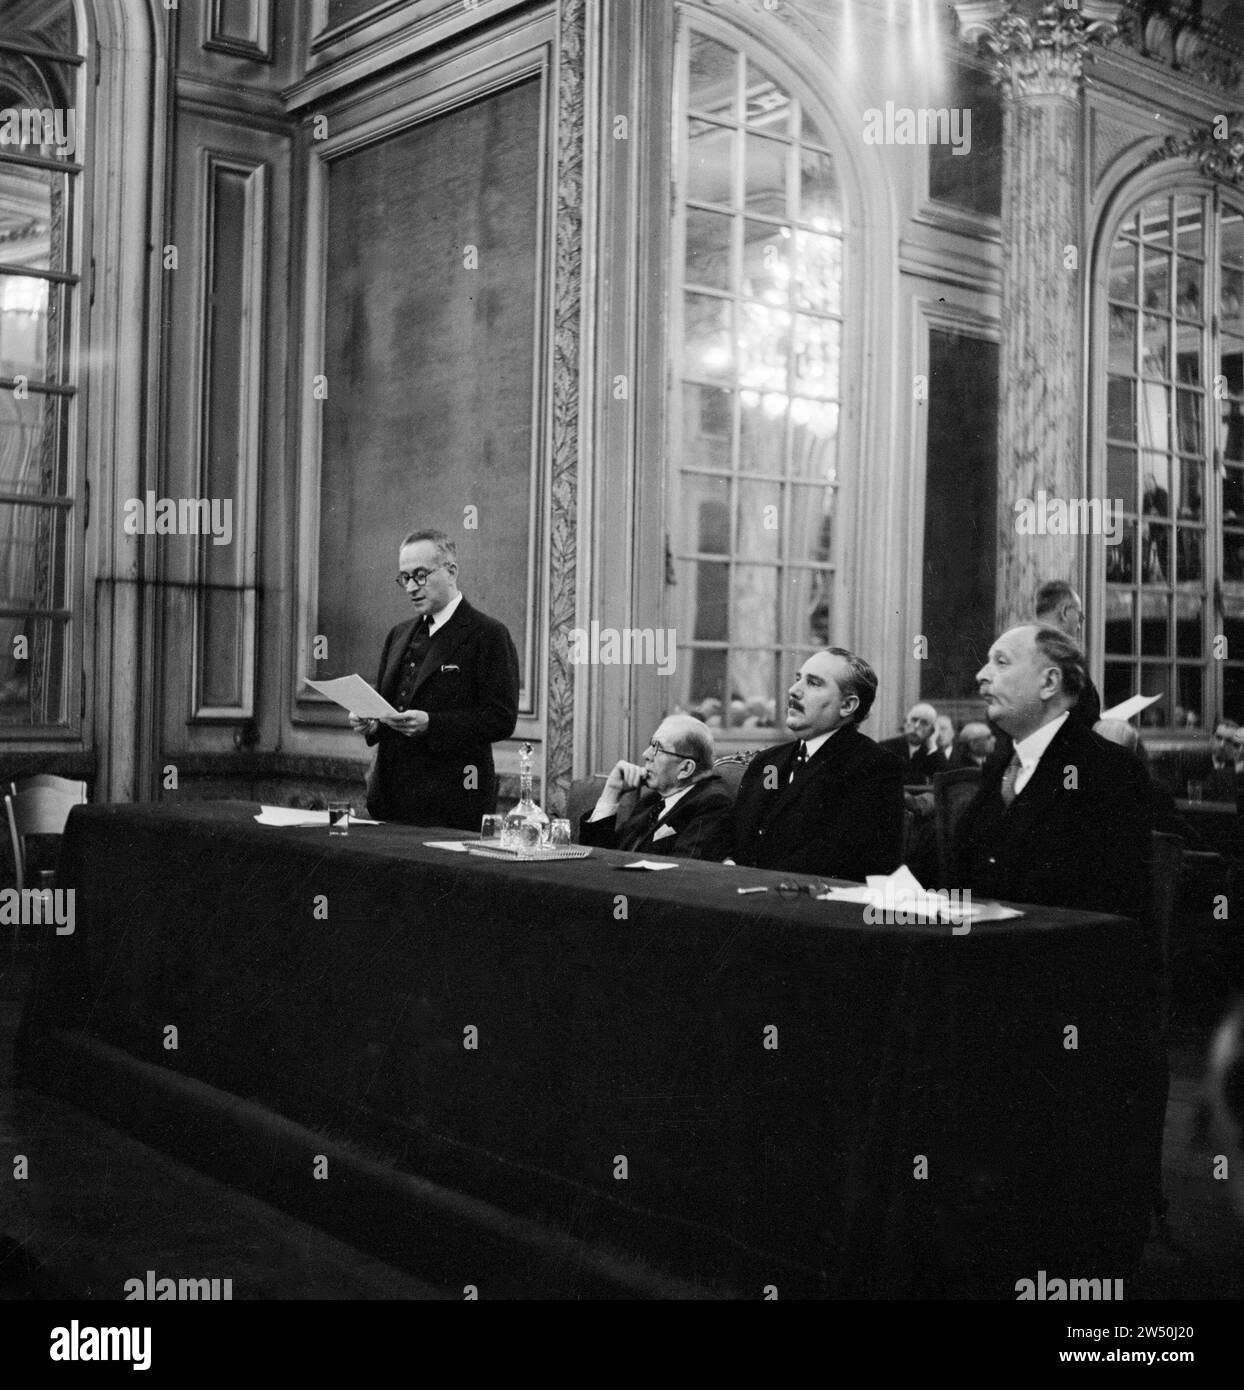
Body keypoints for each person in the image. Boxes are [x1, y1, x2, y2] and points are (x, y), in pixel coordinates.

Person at [953, 625, 1153, 924]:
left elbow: (1110, 905)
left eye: (1001, 662)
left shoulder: (1108, 769)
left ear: (1049, 682)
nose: (982, 674)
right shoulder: (1001, 764)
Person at [351, 529, 519, 829]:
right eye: (405, 578)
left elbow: (501, 718)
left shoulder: (488, 634)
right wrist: (372, 723)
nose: (411, 587)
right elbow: (391, 705)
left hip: (451, 803)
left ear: (451, 571)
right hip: (389, 798)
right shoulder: (399, 634)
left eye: (420, 575)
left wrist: (433, 724)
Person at [730, 647, 904, 878]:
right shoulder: (768, 762)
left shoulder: (873, 766)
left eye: (813, 683)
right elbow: (735, 833)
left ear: (847, 706)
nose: (793, 691)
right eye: (798, 679)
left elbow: (840, 858)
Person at [578, 715, 733, 859]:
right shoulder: (653, 799)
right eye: (651, 745)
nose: (646, 754)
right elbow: (596, 860)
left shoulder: (713, 803)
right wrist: (611, 792)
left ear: (685, 768)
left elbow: (683, 872)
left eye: (657, 748)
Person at [1033, 580, 1102, 727]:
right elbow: (1086, 714)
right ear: (1065, 612)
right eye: (1080, 617)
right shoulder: (1067, 657)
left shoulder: (1020, 647)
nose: (1079, 626)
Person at [880, 702, 944, 784]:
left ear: (931, 731)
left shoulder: (933, 752)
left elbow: (944, 780)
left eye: (924, 723)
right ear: (906, 723)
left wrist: (932, 746)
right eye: (914, 720)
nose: (916, 726)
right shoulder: (886, 747)